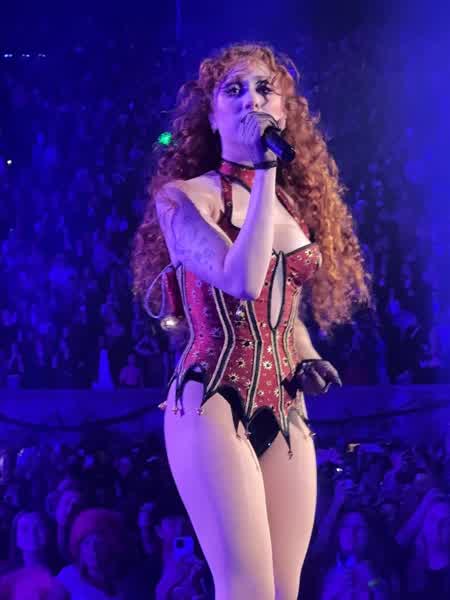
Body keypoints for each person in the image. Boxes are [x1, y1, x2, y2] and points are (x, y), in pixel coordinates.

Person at [133, 42, 370, 599]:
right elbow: (240, 280)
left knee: (285, 591)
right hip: (211, 396)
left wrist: (308, 355)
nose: (251, 100)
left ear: (284, 112)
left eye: (265, 88)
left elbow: (287, 311)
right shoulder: (184, 199)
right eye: (233, 90)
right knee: (247, 590)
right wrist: (264, 172)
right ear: (213, 118)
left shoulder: (289, 208)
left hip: (286, 401)